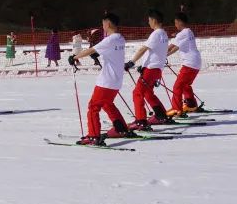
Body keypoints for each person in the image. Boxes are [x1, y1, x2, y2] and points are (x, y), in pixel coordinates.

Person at [68, 12, 133, 145]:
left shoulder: (110, 39)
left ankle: (93, 136)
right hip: (116, 80)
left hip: (106, 80)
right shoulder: (120, 38)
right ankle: (121, 129)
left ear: (108, 23)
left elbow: (91, 50)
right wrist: (98, 53)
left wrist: (74, 57)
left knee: (93, 106)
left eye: (103, 23)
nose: (102, 26)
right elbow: (108, 51)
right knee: (107, 104)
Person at [125, 9, 169, 127]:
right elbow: (156, 52)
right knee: (148, 93)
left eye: (149, 20)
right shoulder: (164, 34)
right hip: (157, 69)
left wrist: (131, 62)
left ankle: (141, 121)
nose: (148, 22)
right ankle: (161, 115)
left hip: (151, 70)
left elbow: (142, 49)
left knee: (137, 93)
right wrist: (143, 65)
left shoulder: (156, 34)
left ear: (154, 20)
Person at [167, 12, 203, 116]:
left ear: (179, 22)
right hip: (195, 63)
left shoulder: (182, 34)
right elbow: (177, 45)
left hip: (190, 64)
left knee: (177, 87)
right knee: (185, 85)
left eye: (175, 23)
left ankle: (176, 109)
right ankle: (191, 105)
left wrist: (162, 55)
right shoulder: (189, 31)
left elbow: (172, 47)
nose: (175, 25)